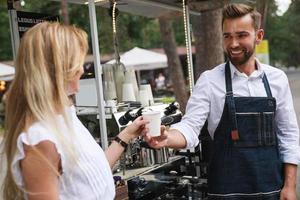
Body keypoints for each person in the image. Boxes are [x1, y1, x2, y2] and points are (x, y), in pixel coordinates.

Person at [144, 3, 299, 200]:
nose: (233, 44)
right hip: (225, 193)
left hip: (272, 190)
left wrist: (290, 186)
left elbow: (288, 134)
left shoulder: (277, 79)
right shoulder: (209, 80)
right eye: (227, 36)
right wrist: (167, 138)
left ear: (258, 36)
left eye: (241, 35)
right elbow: (190, 127)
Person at [1, 22, 148, 200]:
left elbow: (93, 175)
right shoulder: (39, 139)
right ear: (57, 70)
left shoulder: (65, 115)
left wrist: (126, 135)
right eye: (77, 65)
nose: (81, 69)